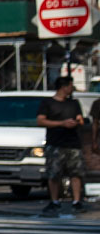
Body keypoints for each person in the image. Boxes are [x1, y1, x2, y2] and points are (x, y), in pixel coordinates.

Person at [37, 76, 85, 216]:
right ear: (64, 87)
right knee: (54, 173)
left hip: (73, 143)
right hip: (55, 142)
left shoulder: (74, 103)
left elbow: (80, 119)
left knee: (76, 173)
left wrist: (77, 122)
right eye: (71, 86)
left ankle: (76, 201)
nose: (72, 88)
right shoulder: (48, 103)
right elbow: (40, 121)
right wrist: (61, 123)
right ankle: (54, 201)